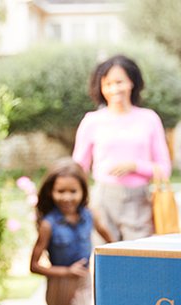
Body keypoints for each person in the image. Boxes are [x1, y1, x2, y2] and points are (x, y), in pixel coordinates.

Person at [72, 54, 172, 241]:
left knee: (137, 256)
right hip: (102, 199)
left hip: (139, 201)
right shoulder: (91, 121)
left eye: (119, 82)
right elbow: (78, 168)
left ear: (132, 82)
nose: (114, 89)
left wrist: (135, 166)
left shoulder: (149, 119)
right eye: (108, 84)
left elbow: (164, 169)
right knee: (104, 255)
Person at [30, 159, 113, 305]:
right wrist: (66, 272)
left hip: (83, 282)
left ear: (83, 191)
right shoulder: (49, 224)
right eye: (60, 191)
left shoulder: (89, 216)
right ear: (51, 192)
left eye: (73, 191)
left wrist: (120, 256)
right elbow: (34, 266)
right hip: (59, 283)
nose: (67, 197)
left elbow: (109, 238)